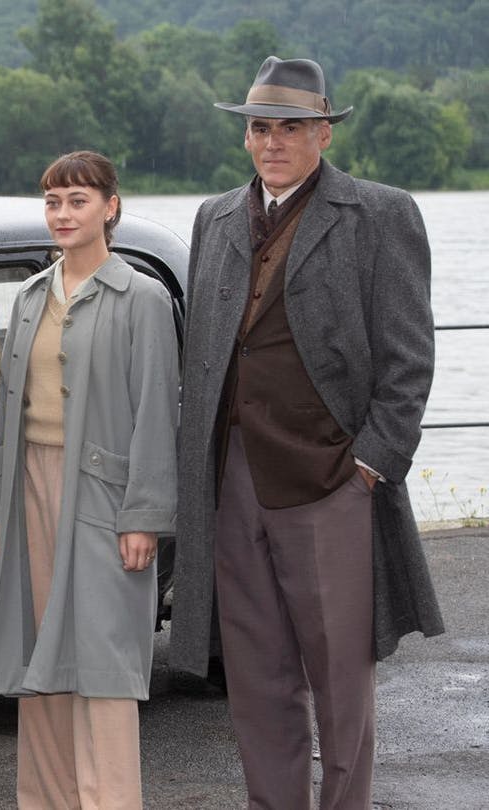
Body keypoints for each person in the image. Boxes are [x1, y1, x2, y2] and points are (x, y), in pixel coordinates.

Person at [169, 56, 445, 809]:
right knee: (256, 677)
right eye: (260, 128)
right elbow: (205, 353)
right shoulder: (214, 217)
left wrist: (371, 463)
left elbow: (409, 357)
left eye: (290, 127)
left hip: (331, 481)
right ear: (246, 137)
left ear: (323, 132)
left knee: (340, 679)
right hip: (232, 477)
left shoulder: (380, 213)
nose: (273, 142)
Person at [0, 150, 178, 809]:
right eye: (53, 201)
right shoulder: (31, 297)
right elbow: (9, 407)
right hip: (27, 488)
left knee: (102, 661)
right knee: (40, 656)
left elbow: (157, 412)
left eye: (78, 200)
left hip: (105, 497)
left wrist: (144, 515)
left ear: (109, 207)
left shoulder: (141, 297)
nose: (62, 213)